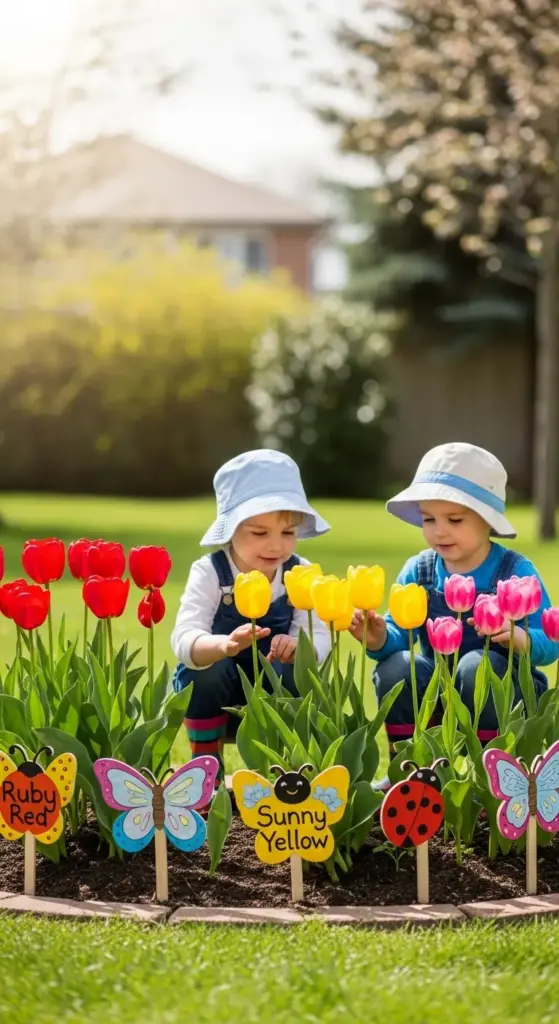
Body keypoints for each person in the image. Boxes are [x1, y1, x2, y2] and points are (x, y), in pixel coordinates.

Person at [350, 442, 558, 783]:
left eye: (455, 519)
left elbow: (550, 643)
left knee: (477, 665)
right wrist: (379, 638)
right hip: (437, 693)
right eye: (428, 519)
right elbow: (401, 637)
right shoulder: (419, 571)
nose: (439, 530)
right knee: (397, 667)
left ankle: (491, 775)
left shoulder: (514, 572)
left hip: (503, 699)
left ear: (487, 520)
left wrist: (521, 638)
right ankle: (410, 769)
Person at [171, 449, 331, 772]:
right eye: (260, 533)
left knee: (296, 671)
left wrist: (301, 647)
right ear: (230, 529)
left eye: (288, 533)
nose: (276, 545)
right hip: (220, 696)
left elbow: (318, 631)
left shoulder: (300, 573)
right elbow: (184, 637)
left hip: (274, 688)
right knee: (203, 671)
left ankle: (282, 765)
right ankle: (206, 765)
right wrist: (222, 645)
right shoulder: (211, 572)